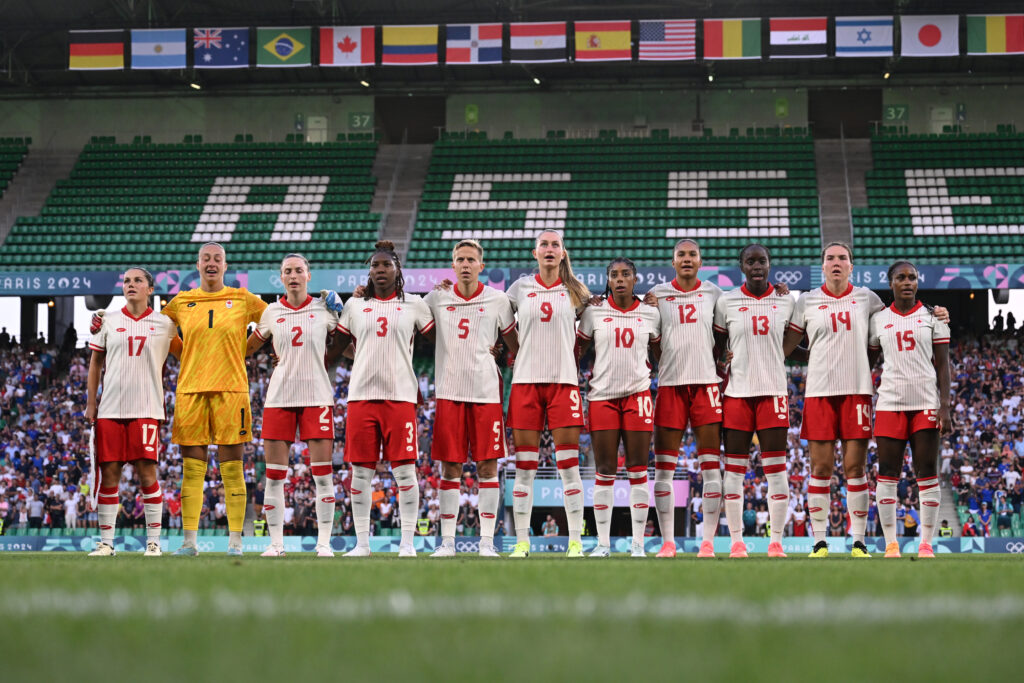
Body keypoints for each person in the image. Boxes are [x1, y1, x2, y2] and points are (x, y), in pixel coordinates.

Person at [783, 242, 948, 558]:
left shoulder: (868, 300)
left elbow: (893, 326)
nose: (836, 262)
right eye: (830, 258)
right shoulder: (806, 300)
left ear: (851, 266)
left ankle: (857, 541)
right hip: (818, 393)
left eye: (842, 258)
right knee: (820, 468)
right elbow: (788, 346)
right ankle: (820, 542)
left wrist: (936, 312)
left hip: (857, 392)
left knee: (855, 468)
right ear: (822, 265)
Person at [161, 242, 268, 556]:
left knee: (232, 469)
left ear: (225, 265)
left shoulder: (242, 297)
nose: (211, 263)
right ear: (198, 265)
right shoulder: (182, 301)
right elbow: (161, 332)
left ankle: (235, 543)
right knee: (192, 470)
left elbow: (274, 319)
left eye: (217, 259)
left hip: (231, 390)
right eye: (206, 258)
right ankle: (189, 543)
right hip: (190, 390)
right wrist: (185, 354)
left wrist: (248, 348)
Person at [329, 241, 435, 557]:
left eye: (385, 265)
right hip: (361, 396)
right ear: (369, 272)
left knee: (405, 472)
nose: (379, 270)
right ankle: (362, 544)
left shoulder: (415, 304)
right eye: (375, 266)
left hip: (400, 398)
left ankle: (407, 544)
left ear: (397, 269)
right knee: (360, 473)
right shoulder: (354, 307)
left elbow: (440, 340)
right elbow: (337, 350)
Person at [424, 239, 518, 558]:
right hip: (449, 393)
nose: (465, 264)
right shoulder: (436, 297)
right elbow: (408, 317)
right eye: (459, 259)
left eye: (470, 259)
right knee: (450, 468)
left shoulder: (498, 299)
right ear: (452, 265)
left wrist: (503, 351)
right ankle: (448, 542)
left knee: (488, 468)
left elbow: (513, 341)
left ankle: (487, 542)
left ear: (481, 265)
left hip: (486, 394)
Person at [246, 254, 342, 557]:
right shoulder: (272, 312)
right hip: (280, 399)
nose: (293, 275)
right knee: (274, 476)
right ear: (281, 277)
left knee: (322, 475)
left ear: (308, 275)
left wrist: (346, 312)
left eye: (299, 270)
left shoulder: (324, 308)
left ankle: (324, 543)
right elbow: (248, 347)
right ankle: (276, 545)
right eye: (287, 271)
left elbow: (347, 346)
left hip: (317, 398)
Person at [506, 230, 591, 559]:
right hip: (526, 382)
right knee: (524, 467)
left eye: (556, 245)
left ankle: (574, 542)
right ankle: (522, 542)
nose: (550, 249)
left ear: (563, 252)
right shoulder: (518, 289)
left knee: (569, 466)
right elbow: (495, 319)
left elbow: (594, 326)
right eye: (545, 244)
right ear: (535, 253)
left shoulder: (577, 292)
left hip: (563, 384)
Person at [712, 244, 798, 558]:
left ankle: (776, 541)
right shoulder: (727, 301)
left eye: (762, 260)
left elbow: (797, 338)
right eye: (751, 261)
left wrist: (779, 355)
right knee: (733, 472)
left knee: (776, 471)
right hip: (736, 394)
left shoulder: (786, 299)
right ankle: (737, 542)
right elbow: (717, 346)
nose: (757, 265)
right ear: (742, 266)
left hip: (773, 393)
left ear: (770, 264)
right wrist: (723, 360)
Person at [85, 267, 179, 556]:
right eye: (127, 280)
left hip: (147, 407)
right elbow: (95, 365)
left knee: (147, 473)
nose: (131, 284)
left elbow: (186, 355)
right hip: (110, 408)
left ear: (151, 289)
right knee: (109, 475)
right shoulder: (107, 321)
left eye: (138, 280)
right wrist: (91, 403)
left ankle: (153, 542)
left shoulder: (165, 323)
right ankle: (106, 543)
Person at [643, 239, 725, 558]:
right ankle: (668, 542)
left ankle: (707, 541)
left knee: (710, 467)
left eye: (692, 254)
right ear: (673, 261)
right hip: (670, 387)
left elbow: (725, 333)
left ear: (700, 261)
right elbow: (649, 335)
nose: (687, 259)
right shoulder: (658, 295)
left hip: (706, 385)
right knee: (664, 469)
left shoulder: (715, 294)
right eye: (682, 255)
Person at [577, 257, 661, 558]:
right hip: (602, 397)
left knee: (638, 471)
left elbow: (661, 353)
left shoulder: (651, 312)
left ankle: (638, 544)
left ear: (635, 279)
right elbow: (578, 350)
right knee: (604, 472)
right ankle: (602, 544)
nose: (620, 279)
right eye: (614, 275)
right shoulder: (594, 311)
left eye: (626, 274)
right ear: (608, 280)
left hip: (638, 396)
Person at [868, 260, 951, 559]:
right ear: (890, 283)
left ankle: (926, 543)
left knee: (926, 473)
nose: (907, 282)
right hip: (890, 403)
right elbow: (868, 362)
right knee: (887, 474)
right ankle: (891, 542)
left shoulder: (934, 317)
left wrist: (945, 407)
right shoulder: (878, 319)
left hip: (926, 403)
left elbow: (943, 366)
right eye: (901, 277)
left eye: (912, 277)